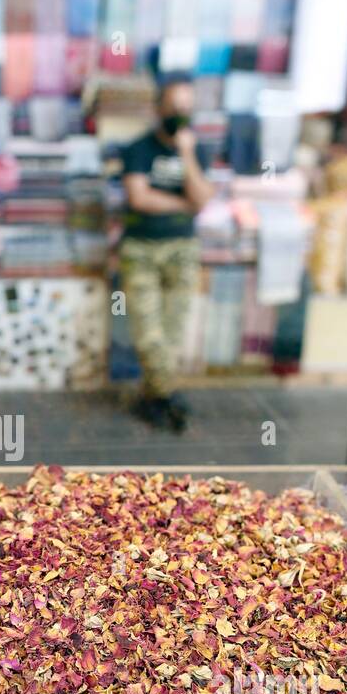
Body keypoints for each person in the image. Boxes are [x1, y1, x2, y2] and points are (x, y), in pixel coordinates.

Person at [120, 74, 214, 431]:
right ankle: (168, 395)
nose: (180, 114)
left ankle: (152, 398)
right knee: (148, 332)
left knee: (174, 333)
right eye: (174, 107)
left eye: (187, 109)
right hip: (141, 248)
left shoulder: (197, 149)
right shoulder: (137, 149)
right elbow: (138, 198)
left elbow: (203, 199)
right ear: (158, 108)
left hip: (183, 250)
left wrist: (187, 154)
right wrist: (184, 203)